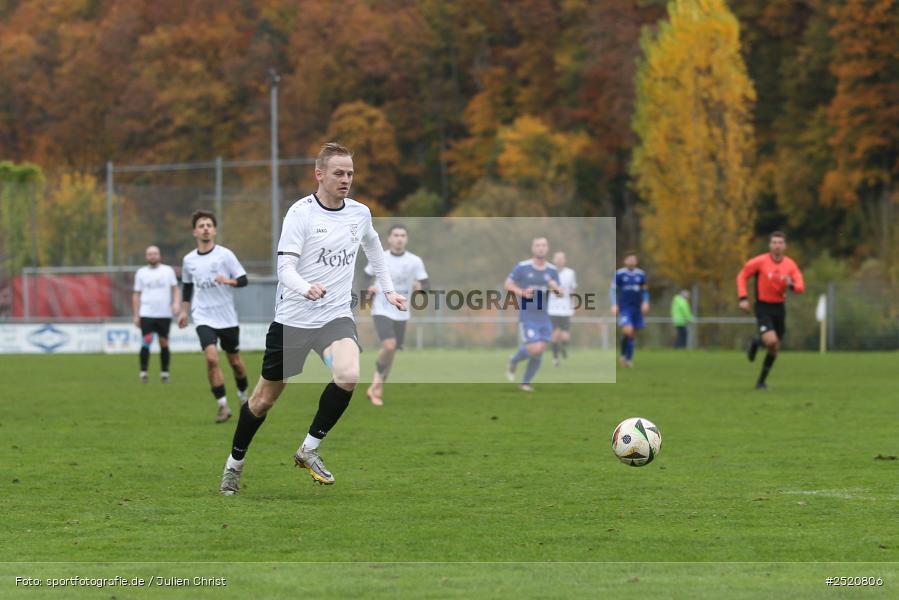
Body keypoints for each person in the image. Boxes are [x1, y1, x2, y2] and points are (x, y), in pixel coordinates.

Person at [219, 142, 405, 495]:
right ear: (319, 175)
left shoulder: (359, 214)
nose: (346, 179)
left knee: (349, 373)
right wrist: (305, 288)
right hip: (293, 318)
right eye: (338, 173)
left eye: (350, 173)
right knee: (262, 401)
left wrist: (389, 288)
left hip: (334, 316)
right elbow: (284, 267)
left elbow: (375, 251)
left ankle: (310, 448)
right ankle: (234, 465)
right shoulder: (301, 213)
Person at [178, 210, 250, 423]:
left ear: (215, 230)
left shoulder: (225, 255)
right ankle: (223, 406)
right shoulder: (188, 260)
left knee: (235, 362)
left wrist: (229, 281)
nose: (206, 228)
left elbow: (244, 279)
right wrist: (183, 311)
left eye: (209, 225)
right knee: (211, 358)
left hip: (226, 316)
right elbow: (187, 287)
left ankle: (243, 396)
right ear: (195, 232)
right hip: (203, 316)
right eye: (201, 225)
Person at [364, 224, 429, 406]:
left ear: (406, 239)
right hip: (381, 308)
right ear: (389, 239)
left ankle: (377, 386)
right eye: (396, 235)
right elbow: (365, 276)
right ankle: (377, 385)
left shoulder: (415, 261)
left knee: (392, 351)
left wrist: (420, 289)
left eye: (402, 235)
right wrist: (367, 290)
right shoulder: (380, 257)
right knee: (389, 344)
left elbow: (426, 285)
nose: (399, 238)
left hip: (402, 311)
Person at [737, 231, 805, 389]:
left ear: (785, 246)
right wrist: (743, 298)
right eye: (774, 242)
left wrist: (791, 285)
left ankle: (761, 381)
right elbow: (742, 275)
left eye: (780, 243)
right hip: (763, 306)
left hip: (779, 308)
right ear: (770, 245)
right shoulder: (760, 261)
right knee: (771, 340)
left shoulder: (790, 265)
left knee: (774, 348)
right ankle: (757, 342)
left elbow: (801, 286)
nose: (777, 246)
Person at [504, 237, 561, 391]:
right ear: (532, 248)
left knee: (540, 350)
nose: (541, 248)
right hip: (527, 315)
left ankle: (525, 383)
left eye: (543, 245)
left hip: (544, 316)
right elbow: (507, 284)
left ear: (547, 248)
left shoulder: (552, 270)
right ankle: (514, 360)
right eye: (538, 245)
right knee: (534, 349)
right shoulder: (522, 267)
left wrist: (554, 286)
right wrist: (521, 292)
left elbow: (560, 293)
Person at [133, 246, 179, 383]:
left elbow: (175, 289)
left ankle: (164, 373)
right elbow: (136, 294)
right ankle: (143, 372)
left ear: (159, 255)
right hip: (146, 312)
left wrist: (176, 303)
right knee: (146, 340)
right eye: (150, 254)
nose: (152, 256)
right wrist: (136, 314)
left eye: (155, 253)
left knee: (163, 342)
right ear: (146, 256)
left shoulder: (168, 271)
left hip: (164, 313)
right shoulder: (141, 272)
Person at [610, 251, 649, 368]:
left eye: (633, 259)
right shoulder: (619, 274)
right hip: (625, 308)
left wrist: (646, 302)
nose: (631, 261)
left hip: (637, 308)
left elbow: (645, 291)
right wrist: (614, 304)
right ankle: (625, 357)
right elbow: (612, 290)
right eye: (629, 259)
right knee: (628, 330)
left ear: (636, 261)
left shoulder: (641, 274)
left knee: (631, 334)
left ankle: (627, 357)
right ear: (625, 261)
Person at [548, 251, 577, 367]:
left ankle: (562, 348)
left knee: (565, 337)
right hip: (552, 309)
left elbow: (573, 290)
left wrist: (573, 305)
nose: (559, 260)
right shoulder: (549, 272)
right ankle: (555, 359)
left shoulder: (570, 273)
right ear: (554, 260)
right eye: (557, 258)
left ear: (565, 260)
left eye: (561, 258)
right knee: (555, 335)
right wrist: (555, 291)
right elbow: (545, 289)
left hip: (565, 309)